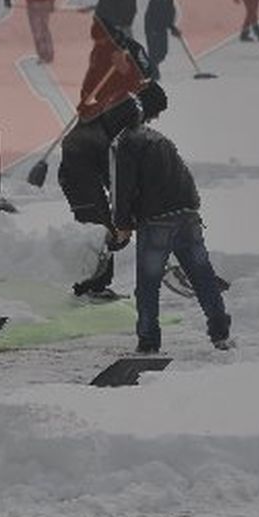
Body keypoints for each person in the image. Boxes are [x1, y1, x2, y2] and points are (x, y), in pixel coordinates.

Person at [103, 87, 233, 353]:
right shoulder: (159, 138)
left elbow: (122, 190)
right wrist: (189, 209)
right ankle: (220, 333)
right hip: (187, 216)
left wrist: (122, 226)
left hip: (156, 223)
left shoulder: (123, 143)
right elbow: (185, 177)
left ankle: (149, 343)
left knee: (148, 286)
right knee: (202, 276)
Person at [59, 22, 154, 300]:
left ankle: (95, 284)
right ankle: (91, 287)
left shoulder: (128, 53)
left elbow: (145, 75)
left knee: (107, 224)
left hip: (89, 160)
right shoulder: (108, 132)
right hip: (77, 171)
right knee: (99, 225)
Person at [143, 0, 181, 81]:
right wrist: (170, 27)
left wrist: (172, 27)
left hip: (161, 28)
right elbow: (158, 15)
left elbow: (169, 15)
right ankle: (153, 74)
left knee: (163, 52)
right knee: (154, 52)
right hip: (152, 28)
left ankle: (150, 68)